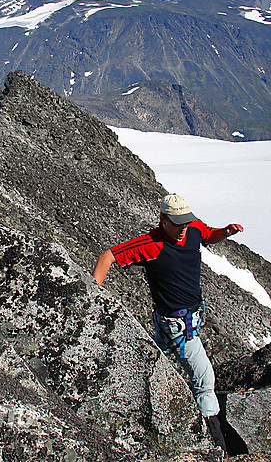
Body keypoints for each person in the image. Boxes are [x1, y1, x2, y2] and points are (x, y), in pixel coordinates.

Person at [92, 193, 243, 453]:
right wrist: (92, 295)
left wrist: (225, 232)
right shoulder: (151, 244)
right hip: (178, 326)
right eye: (177, 222)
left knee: (150, 354)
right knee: (205, 379)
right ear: (163, 220)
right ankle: (217, 444)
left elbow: (207, 235)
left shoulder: (193, 228)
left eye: (186, 220)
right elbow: (109, 256)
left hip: (181, 320)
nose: (183, 226)